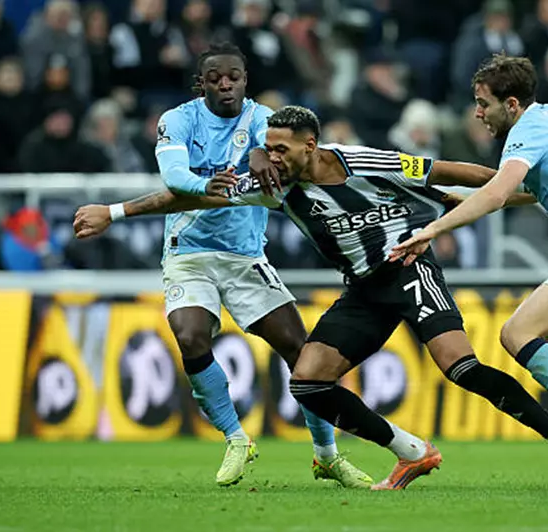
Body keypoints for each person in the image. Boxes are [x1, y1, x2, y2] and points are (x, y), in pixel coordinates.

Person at [74, 105, 548, 491]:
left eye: (282, 149)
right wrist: (114, 212)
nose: (272, 158)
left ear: (312, 145)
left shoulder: (362, 160)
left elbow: (446, 171)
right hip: (363, 290)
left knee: (460, 367)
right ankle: (410, 450)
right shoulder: (273, 185)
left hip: (409, 269)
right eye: (268, 148)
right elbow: (189, 195)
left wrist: (518, 187)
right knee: (308, 381)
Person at [392, 54, 548, 490]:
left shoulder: (526, 132)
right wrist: (465, 200)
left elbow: (496, 193)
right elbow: (533, 190)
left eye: (484, 103)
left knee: (517, 333)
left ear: (511, 105)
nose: (478, 113)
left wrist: (433, 229)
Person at [127, 43, 370, 488]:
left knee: (302, 352)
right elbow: (173, 177)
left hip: (245, 257)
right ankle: (236, 438)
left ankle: (326, 456)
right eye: (215, 78)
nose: (225, 84)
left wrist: (260, 153)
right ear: (201, 84)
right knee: (190, 335)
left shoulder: (262, 118)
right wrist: (204, 185)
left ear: (244, 80)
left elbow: (271, 147)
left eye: (233, 77)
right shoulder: (177, 120)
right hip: (189, 253)